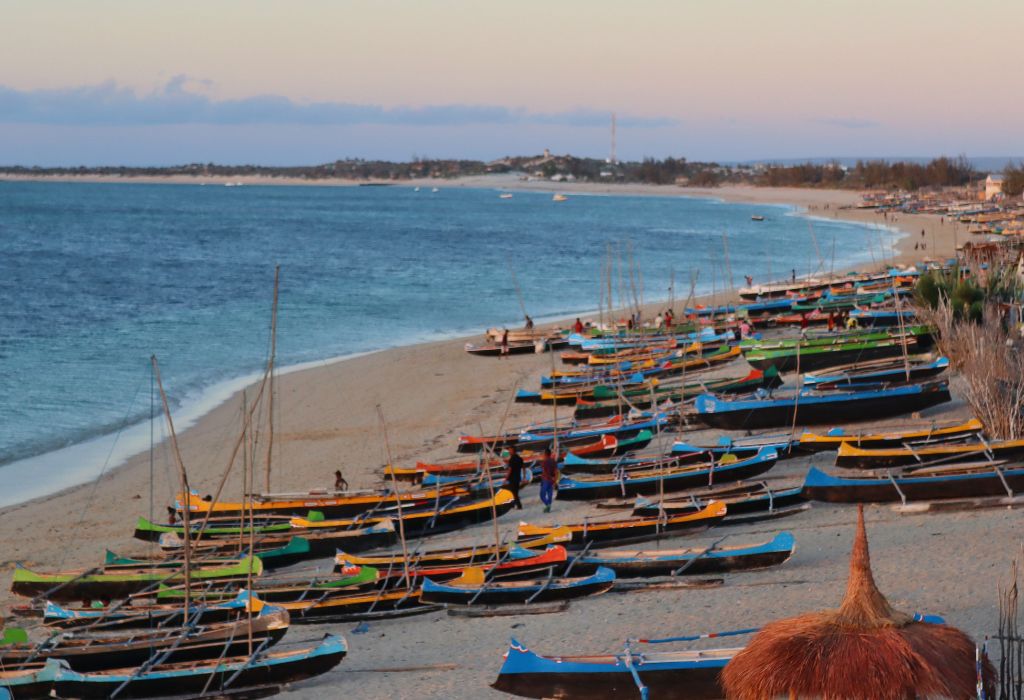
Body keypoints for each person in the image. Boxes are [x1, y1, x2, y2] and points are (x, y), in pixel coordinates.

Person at [539, 446, 558, 513]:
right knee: (549, 494)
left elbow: (545, 472)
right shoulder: (553, 461)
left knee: (542, 495)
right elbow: (556, 471)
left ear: (545, 454)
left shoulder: (544, 462)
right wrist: (555, 479)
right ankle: (548, 507)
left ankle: (548, 505)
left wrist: (549, 477)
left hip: (546, 479)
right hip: (552, 480)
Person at [505, 446, 524, 510]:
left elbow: (510, 469)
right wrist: (524, 476)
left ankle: (519, 505)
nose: (509, 452)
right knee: (515, 492)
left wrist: (506, 478)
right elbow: (523, 467)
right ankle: (515, 504)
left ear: (513, 451)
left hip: (512, 478)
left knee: (513, 492)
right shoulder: (519, 458)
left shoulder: (512, 459)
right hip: (518, 477)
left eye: (510, 450)